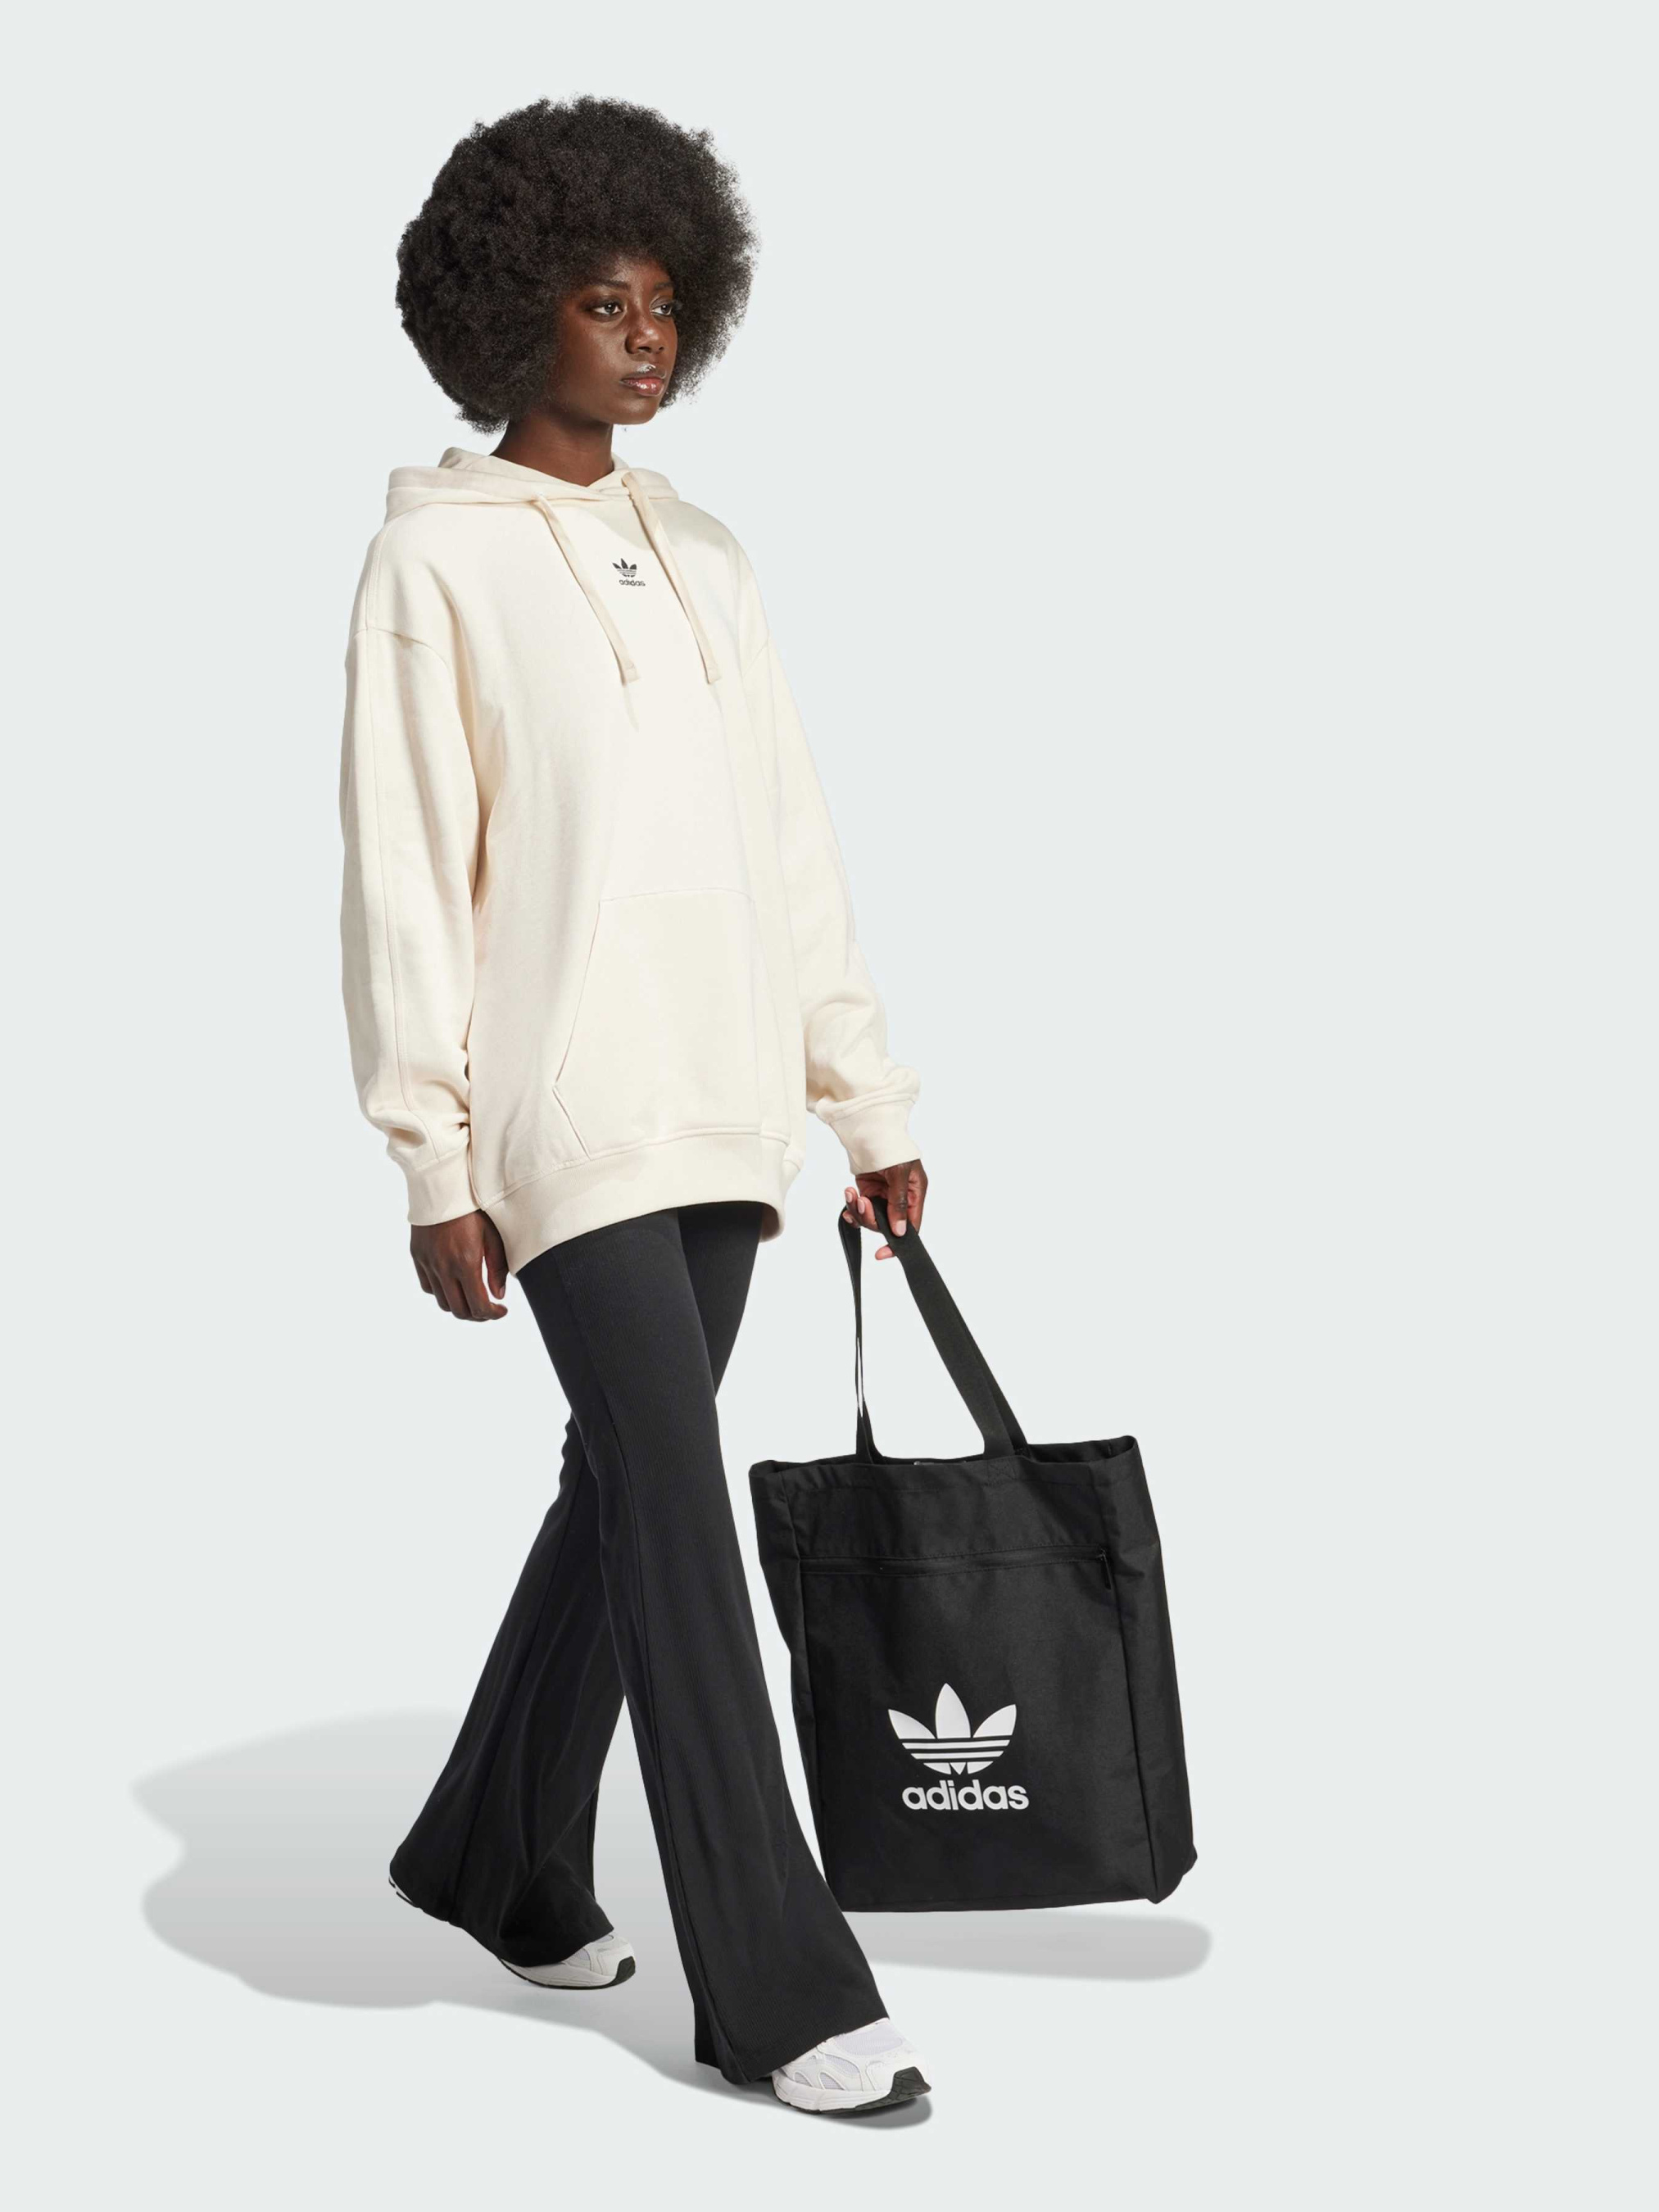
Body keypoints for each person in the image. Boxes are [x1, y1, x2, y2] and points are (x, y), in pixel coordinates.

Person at [339, 95, 931, 2115]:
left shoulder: (707, 556)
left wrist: (860, 1102)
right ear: (513, 313)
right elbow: (406, 876)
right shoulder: (433, 563)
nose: (644, 336)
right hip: (568, 1127)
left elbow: (789, 851)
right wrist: (432, 1155)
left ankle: (490, 1852)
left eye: (666, 301)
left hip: (726, 1115)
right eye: (603, 302)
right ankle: (776, 1991)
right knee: (678, 1525)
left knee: (620, 1493)